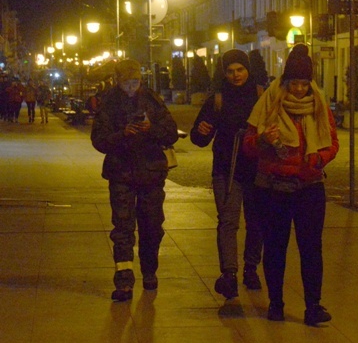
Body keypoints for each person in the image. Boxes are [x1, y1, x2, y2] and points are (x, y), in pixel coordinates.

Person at [243, 44, 339, 326]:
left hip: (309, 187)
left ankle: (313, 306)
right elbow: (249, 145)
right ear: (285, 81)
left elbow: (332, 143)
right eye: (294, 83)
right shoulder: (269, 103)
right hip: (273, 188)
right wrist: (263, 141)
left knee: (311, 248)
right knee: (275, 247)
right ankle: (276, 304)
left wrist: (320, 158)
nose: (298, 90)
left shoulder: (318, 105)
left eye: (304, 84)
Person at [91, 59, 179, 302]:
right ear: (117, 82)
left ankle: (149, 270)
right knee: (122, 228)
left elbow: (172, 133)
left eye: (135, 82)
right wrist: (122, 134)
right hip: (121, 173)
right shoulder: (109, 103)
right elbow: (98, 139)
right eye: (126, 83)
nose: (131, 88)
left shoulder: (151, 100)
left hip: (151, 173)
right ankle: (124, 281)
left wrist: (150, 128)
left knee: (152, 226)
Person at [190, 49, 264, 300]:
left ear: (247, 70)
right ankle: (229, 274)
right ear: (225, 73)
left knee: (257, 222)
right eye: (231, 71)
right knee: (228, 221)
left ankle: (251, 267)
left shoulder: (261, 96)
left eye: (240, 70)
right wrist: (201, 131)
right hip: (226, 170)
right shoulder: (217, 100)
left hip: (256, 169)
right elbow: (199, 138)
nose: (236, 75)